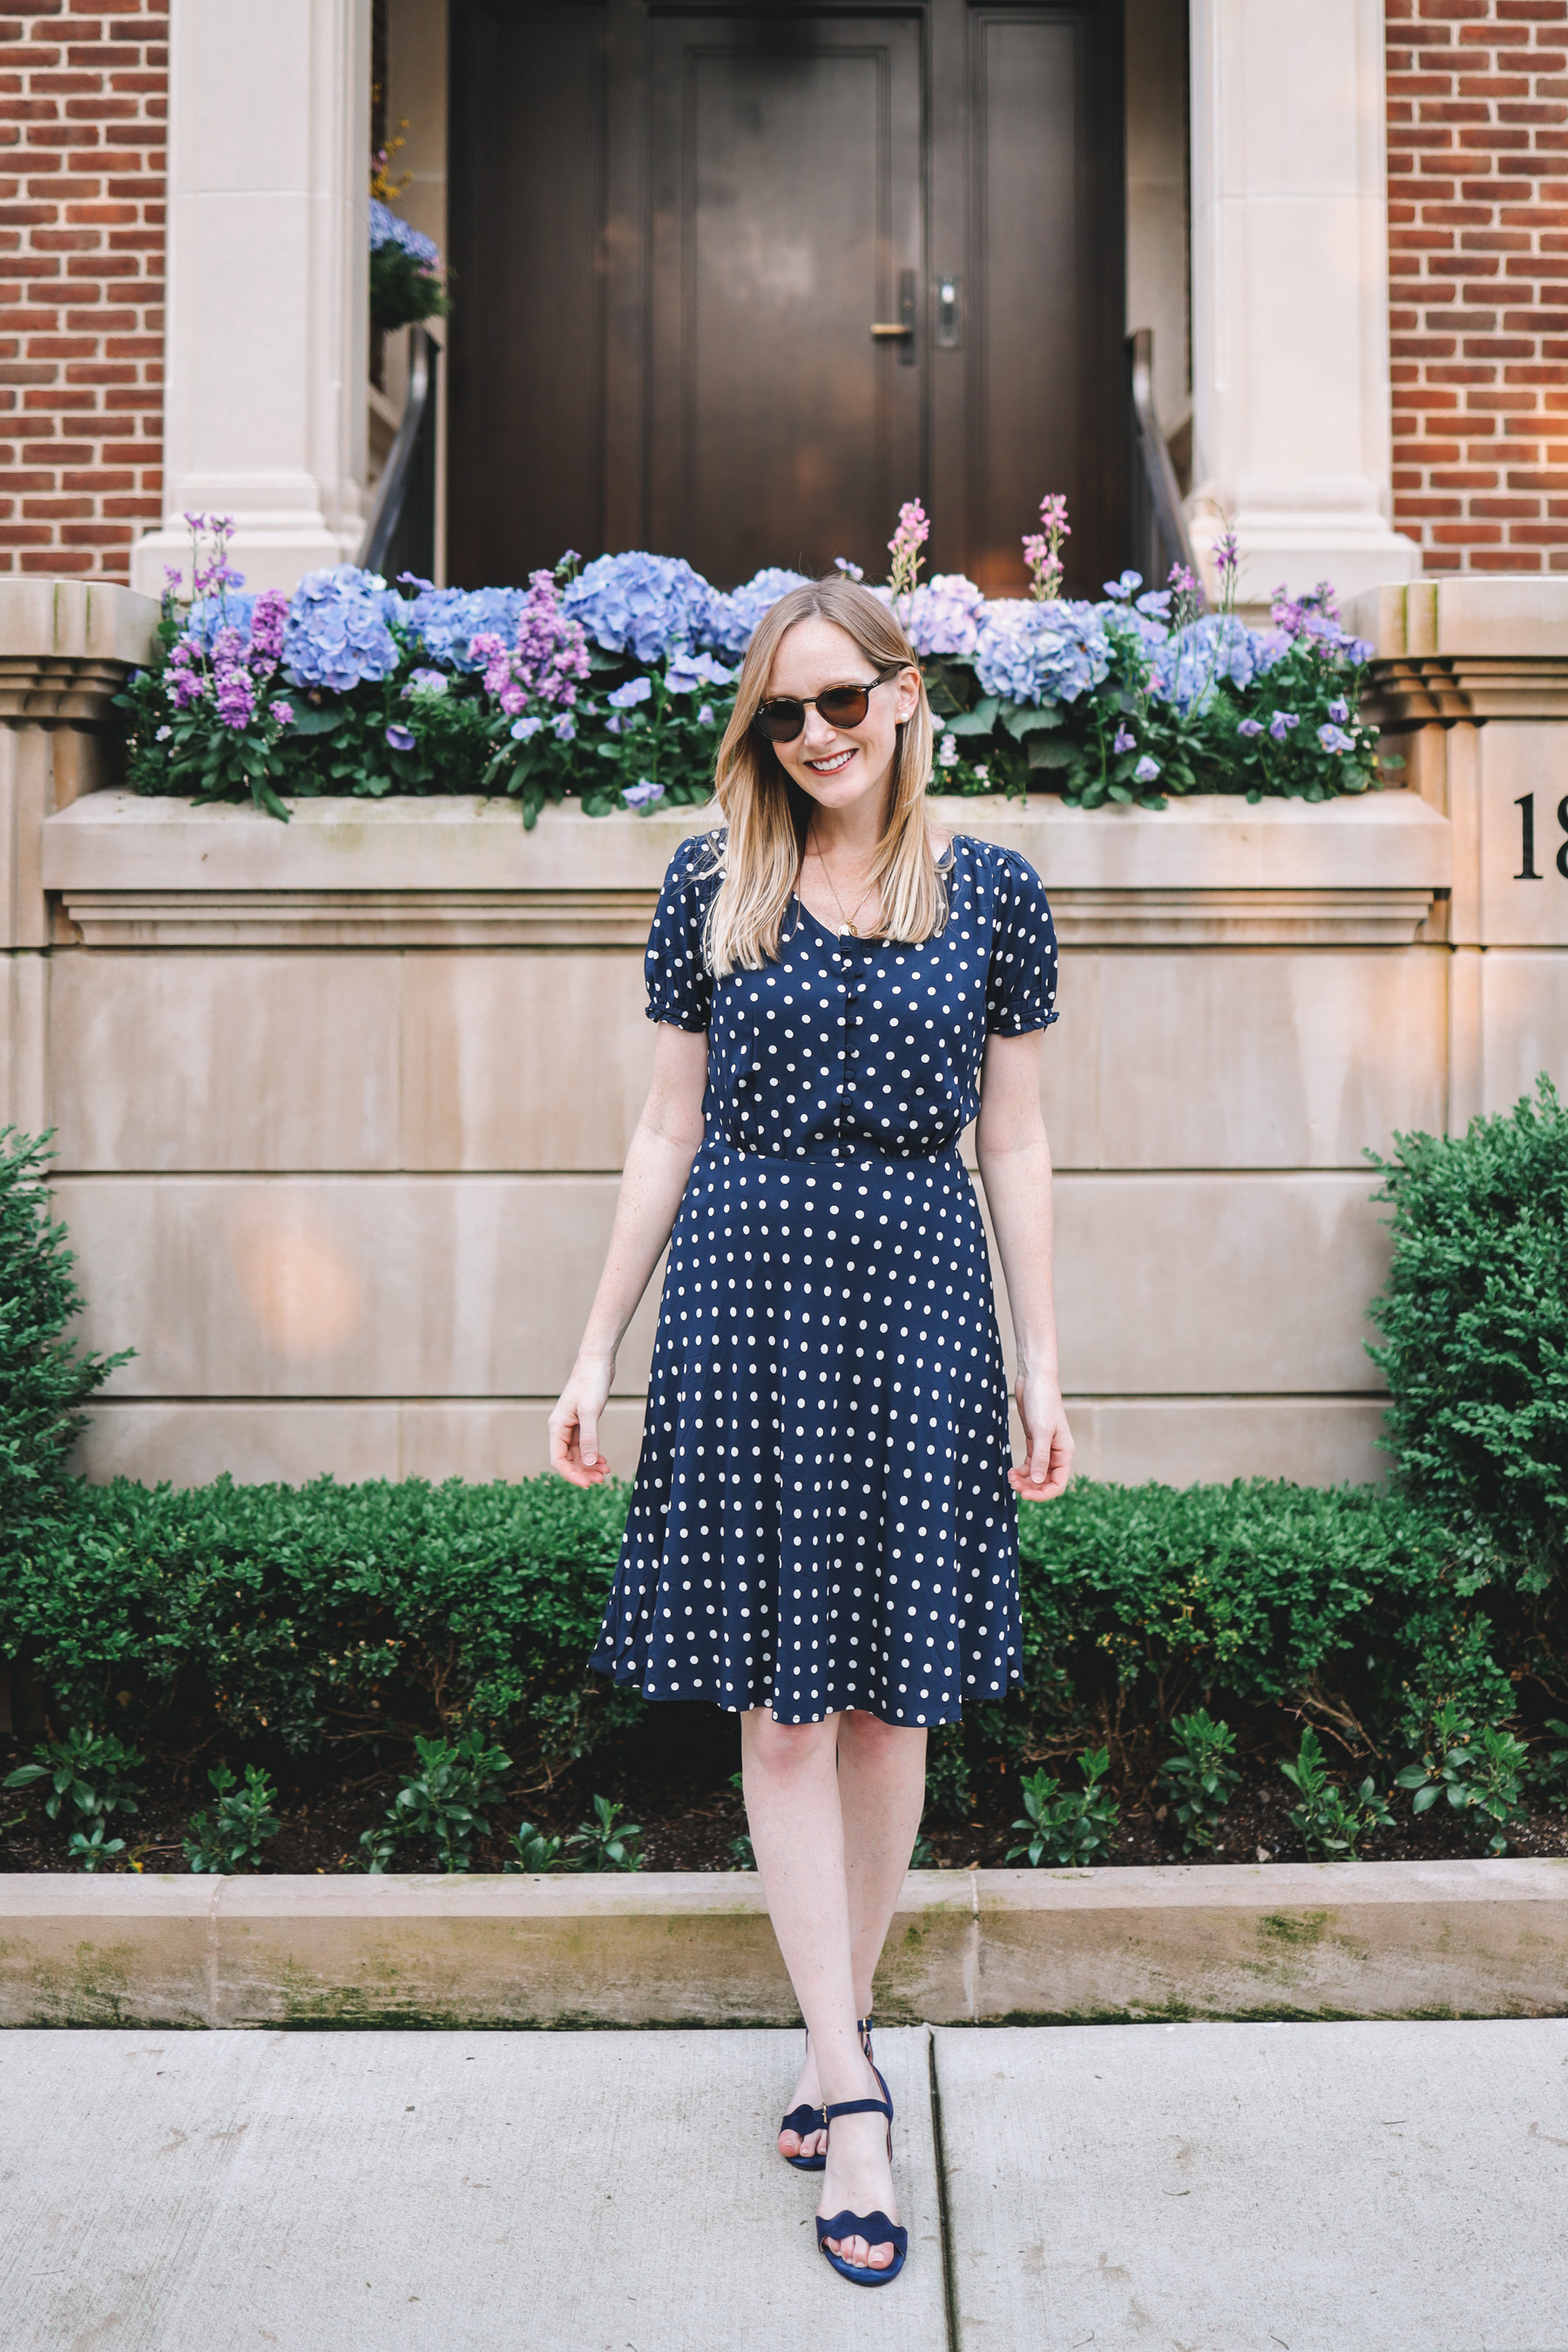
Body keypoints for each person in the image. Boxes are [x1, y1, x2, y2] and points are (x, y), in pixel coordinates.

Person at [549, 574, 1073, 2287]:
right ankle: (851, 2085)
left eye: (844, 701)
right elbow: (661, 1129)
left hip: (919, 1296)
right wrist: (591, 1348)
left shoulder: (995, 894)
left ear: (908, 698)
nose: (817, 737)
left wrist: (1043, 1365)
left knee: (890, 1701)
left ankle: (828, 2031)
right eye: (785, 713)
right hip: (747, 1293)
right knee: (785, 1710)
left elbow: (1019, 1146)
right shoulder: (717, 878)